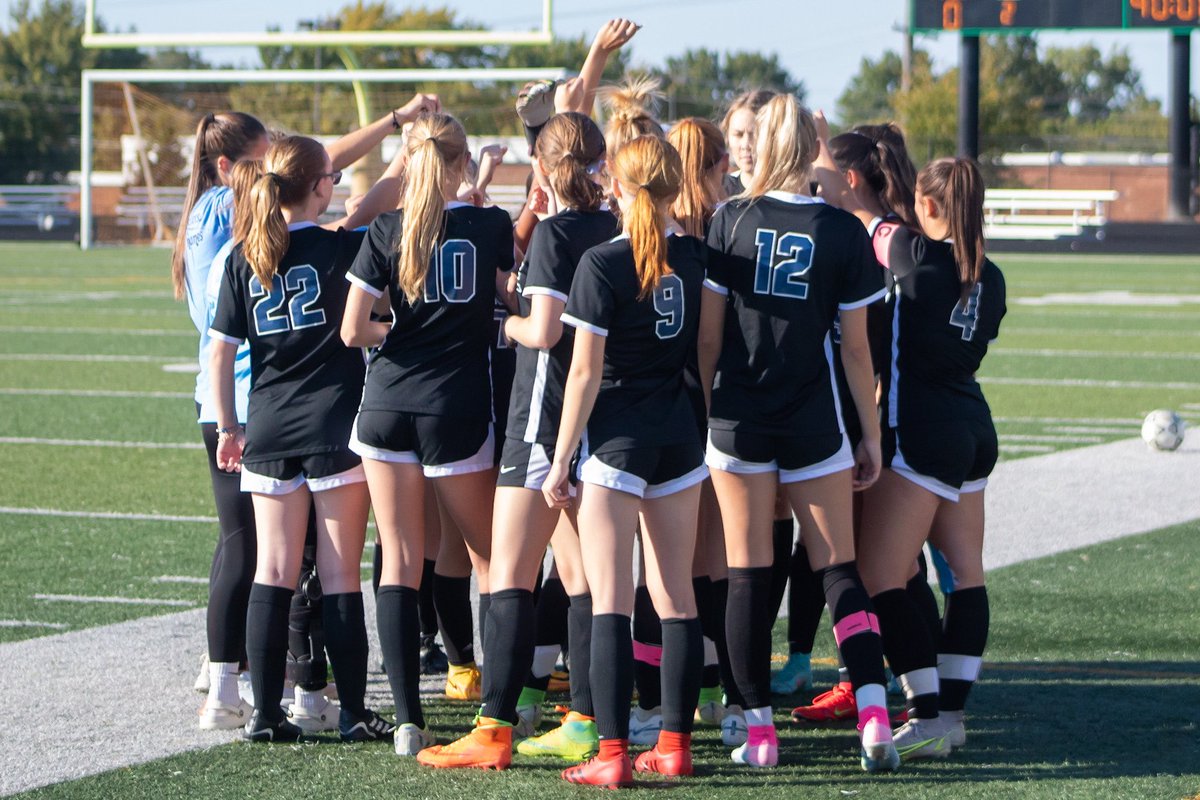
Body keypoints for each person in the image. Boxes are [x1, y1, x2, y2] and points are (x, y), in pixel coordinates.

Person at [697, 93, 899, 772]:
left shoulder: (730, 218)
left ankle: (759, 734)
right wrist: (870, 435)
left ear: (762, 145)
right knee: (839, 570)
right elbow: (857, 351)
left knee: (748, 576)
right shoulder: (841, 229)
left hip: (739, 418)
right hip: (815, 418)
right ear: (810, 148)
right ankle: (874, 713)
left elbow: (710, 338)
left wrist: (703, 413)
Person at [416, 110, 617, 771]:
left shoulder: (559, 232)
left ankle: (493, 727)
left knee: (508, 574)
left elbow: (547, 331)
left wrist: (504, 318)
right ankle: (584, 719)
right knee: (581, 577)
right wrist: (515, 294)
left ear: (544, 166)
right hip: (592, 418)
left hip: (543, 414)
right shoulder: (613, 224)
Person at [208, 133, 406, 742]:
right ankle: (353, 712)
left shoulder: (244, 256)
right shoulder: (342, 247)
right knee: (342, 574)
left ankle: (265, 714)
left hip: (267, 425)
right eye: (332, 178)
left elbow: (220, 355)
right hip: (333, 423)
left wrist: (228, 426)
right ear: (319, 185)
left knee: (273, 571)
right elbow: (371, 222)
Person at [341, 111, 514, 757]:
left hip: (385, 404)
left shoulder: (386, 228)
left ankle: (408, 720)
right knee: (490, 559)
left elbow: (353, 330)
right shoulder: (490, 224)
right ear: (462, 162)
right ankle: (498, 711)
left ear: (410, 162)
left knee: (400, 558)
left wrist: (400, 334)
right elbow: (513, 300)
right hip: (455, 407)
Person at [542, 134, 709, 788]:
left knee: (610, 599)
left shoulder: (602, 262)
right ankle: (674, 745)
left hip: (617, 440)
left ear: (617, 185)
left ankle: (612, 753)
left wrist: (560, 459)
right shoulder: (691, 255)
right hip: (679, 437)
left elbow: (584, 374)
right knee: (676, 598)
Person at [853, 157, 1006, 759]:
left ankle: (927, 714)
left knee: (880, 576)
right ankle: (953, 716)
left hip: (923, 429)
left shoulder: (914, 254)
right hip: (973, 424)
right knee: (966, 574)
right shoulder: (991, 275)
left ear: (931, 205)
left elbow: (860, 211)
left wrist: (823, 152)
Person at [789, 118, 928, 720]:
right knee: (861, 559)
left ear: (848, 179)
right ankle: (876, 679)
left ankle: (920, 690)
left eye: (821, 177)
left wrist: (874, 409)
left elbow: (884, 336)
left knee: (886, 565)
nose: (813, 187)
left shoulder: (886, 237)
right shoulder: (858, 232)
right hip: (862, 409)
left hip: (884, 413)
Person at [665, 116, 744, 739]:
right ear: (720, 164)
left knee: (673, 569)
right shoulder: (727, 228)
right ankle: (729, 695)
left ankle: (682, 695)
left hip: (665, 407)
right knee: (719, 561)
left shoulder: (654, 232)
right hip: (716, 404)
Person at [720, 90, 775, 197]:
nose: (745, 145)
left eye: (754, 134)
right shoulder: (719, 193)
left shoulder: (791, 194)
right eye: (738, 135)